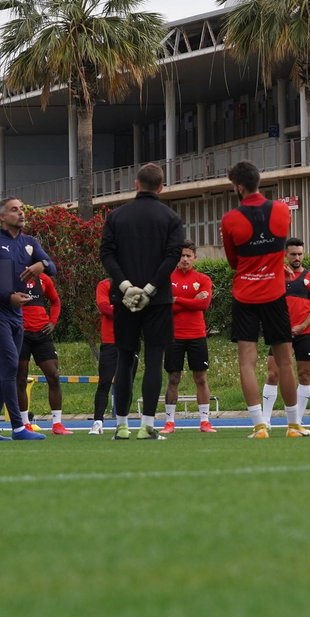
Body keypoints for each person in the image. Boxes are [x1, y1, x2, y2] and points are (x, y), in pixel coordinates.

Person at [99, 162, 186, 440]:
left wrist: (125, 286)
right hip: (157, 299)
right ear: (161, 188)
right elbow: (172, 256)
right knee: (154, 359)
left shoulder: (116, 217)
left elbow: (107, 254)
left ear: (136, 184)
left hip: (123, 298)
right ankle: (147, 426)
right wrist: (149, 289)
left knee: (125, 360)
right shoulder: (171, 218)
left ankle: (121, 426)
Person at [221, 160, 305, 438]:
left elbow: (234, 262)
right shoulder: (282, 210)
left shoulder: (230, 219)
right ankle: (294, 426)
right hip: (275, 294)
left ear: (239, 187)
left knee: (247, 362)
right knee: (285, 361)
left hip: (245, 295)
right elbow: (274, 245)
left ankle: (260, 426)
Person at [0, 197, 55, 440]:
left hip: (15, 315)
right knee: (10, 366)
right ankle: (19, 427)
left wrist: (41, 264)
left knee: (4, 372)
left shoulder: (30, 242)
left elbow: (52, 267)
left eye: (22, 209)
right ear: (2, 217)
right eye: (14, 210)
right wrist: (7, 297)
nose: (21, 213)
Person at [264, 237, 310, 424]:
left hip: (304, 333)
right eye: (293, 254)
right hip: (281, 334)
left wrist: (302, 326)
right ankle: (265, 420)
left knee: (304, 375)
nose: (297, 257)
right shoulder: (276, 276)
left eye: (300, 254)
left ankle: (297, 419)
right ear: (285, 255)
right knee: (273, 374)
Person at [165, 242, 214, 434]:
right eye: (182, 255)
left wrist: (178, 299)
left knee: (200, 378)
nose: (185, 259)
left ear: (195, 257)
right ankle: (169, 423)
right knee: (173, 378)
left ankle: (205, 422)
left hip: (197, 335)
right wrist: (192, 300)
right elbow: (166, 307)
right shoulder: (167, 279)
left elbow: (204, 305)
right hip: (174, 335)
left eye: (188, 256)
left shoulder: (203, 279)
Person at [16, 267, 66, 433]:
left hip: (41, 333)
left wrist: (52, 321)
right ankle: (25, 424)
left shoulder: (44, 279)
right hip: (21, 333)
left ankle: (57, 424)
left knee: (53, 375)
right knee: (21, 378)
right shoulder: (13, 277)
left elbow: (55, 301)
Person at [89, 276, 125, 434]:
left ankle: (122, 424)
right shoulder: (105, 284)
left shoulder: (136, 284)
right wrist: (127, 310)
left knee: (126, 384)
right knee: (104, 382)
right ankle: (98, 422)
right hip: (110, 341)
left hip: (129, 341)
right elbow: (104, 308)